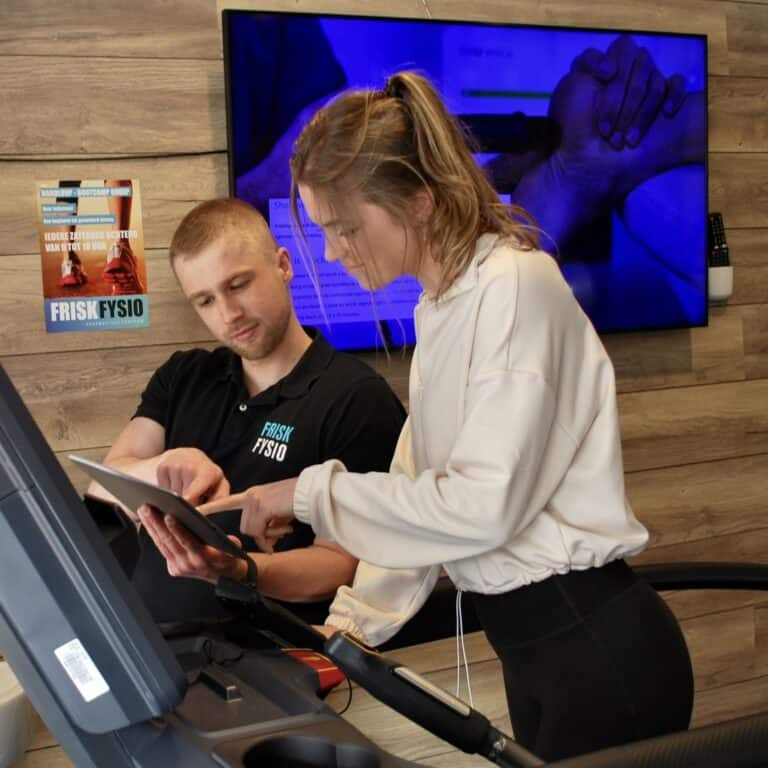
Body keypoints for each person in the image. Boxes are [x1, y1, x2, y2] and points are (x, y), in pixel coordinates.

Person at [143, 71, 696, 760]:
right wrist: (339, 630)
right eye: (323, 230)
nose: (335, 251)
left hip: (595, 647)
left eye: (344, 228)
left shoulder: (516, 286)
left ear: (418, 200)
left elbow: (479, 505)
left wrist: (307, 492)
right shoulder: (441, 307)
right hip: (534, 651)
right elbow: (416, 488)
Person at [92, 197, 406, 625]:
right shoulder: (185, 374)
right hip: (149, 644)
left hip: (265, 661)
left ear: (283, 265)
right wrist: (166, 463)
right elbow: (107, 481)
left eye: (237, 284)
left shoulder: (356, 398)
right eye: (204, 301)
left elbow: (345, 565)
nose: (228, 314)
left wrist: (238, 571)